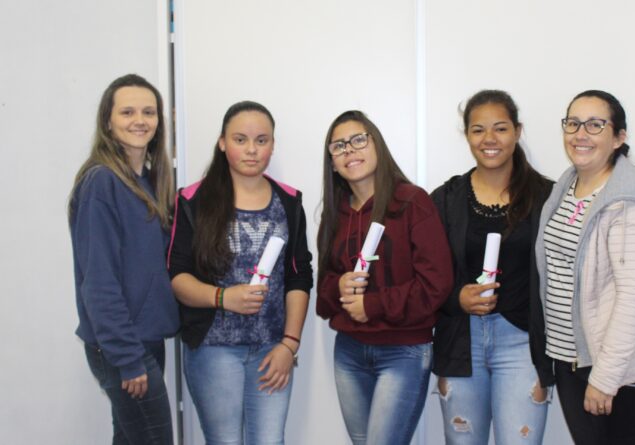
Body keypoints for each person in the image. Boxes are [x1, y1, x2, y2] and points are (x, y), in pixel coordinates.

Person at [537, 90, 635, 445]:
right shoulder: (567, 187)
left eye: (595, 124)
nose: (580, 133)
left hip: (621, 361)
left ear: (619, 137)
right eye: (573, 123)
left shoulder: (630, 205)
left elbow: (634, 297)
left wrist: (605, 379)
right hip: (572, 354)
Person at [168, 101, 313, 445]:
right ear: (222, 143)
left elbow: (299, 276)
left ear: (273, 145)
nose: (251, 149)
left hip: (271, 350)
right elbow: (177, 276)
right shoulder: (193, 200)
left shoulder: (288, 201)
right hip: (213, 350)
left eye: (262, 140)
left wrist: (289, 345)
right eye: (240, 139)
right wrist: (223, 297)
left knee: (269, 440)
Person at [316, 110, 454, 445]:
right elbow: (322, 295)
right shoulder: (335, 213)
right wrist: (339, 286)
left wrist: (373, 305)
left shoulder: (412, 202)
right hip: (349, 352)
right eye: (339, 146)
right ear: (332, 162)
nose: (350, 150)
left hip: (403, 350)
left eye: (359, 140)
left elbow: (436, 284)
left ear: (377, 144)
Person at [430, 90, 553, 444]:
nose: (489, 140)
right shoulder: (445, 198)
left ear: (517, 130)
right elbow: (428, 276)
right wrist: (457, 299)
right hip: (460, 342)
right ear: (466, 135)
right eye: (478, 130)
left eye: (500, 128)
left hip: (522, 344)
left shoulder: (547, 196)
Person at [69, 73, 179, 444]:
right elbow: (98, 281)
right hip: (122, 345)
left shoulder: (150, 182)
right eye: (128, 111)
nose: (140, 120)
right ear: (108, 121)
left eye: (149, 112)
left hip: (146, 340)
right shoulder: (101, 183)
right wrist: (127, 357)